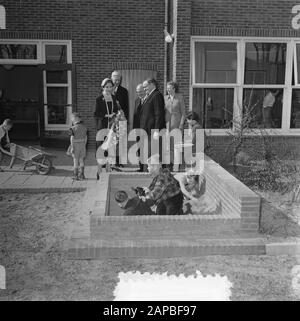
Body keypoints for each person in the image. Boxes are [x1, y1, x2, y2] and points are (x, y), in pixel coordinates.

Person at [94, 78, 122, 177]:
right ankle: (99, 172)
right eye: (107, 87)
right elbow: (96, 114)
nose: (109, 88)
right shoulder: (99, 98)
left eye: (110, 87)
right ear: (103, 87)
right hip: (102, 126)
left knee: (110, 148)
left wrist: (117, 114)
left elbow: (117, 109)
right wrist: (106, 115)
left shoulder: (114, 98)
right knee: (101, 149)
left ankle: (108, 171)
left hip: (111, 126)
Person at [139, 78, 165, 171]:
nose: (144, 89)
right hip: (147, 130)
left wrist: (156, 130)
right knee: (148, 153)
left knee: (152, 154)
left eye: (145, 86)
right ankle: (148, 171)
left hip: (153, 131)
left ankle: (153, 173)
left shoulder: (157, 95)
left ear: (152, 84)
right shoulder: (150, 95)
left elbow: (159, 113)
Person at [164, 81, 186, 171]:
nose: (168, 90)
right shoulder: (165, 98)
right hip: (167, 126)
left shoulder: (180, 97)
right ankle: (169, 165)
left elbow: (184, 113)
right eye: (167, 88)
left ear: (174, 88)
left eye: (170, 88)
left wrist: (181, 124)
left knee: (177, 147)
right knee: (168, 147)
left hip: (177, 126)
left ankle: (176, 167)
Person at [69, 113, 87, 180]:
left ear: (76, 118)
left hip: (75, 145)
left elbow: (72, 138)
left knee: (75, 160)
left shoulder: (72, 128)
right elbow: (86, 138)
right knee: (81, 160)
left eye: (72, 118)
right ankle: (82, 175)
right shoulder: (84, 127)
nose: (71, 119)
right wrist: (84, 145)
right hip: (82, 144)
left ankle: (75, 175)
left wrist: (72, 147)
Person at [133, 84, 147, 172]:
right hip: (138, 129)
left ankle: (146, 167)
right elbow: (135, 115)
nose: (139, 94)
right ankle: (141, 167)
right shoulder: (137, 100)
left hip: (146, 128)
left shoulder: (148, 100)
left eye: (141, 92)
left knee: (146, 148)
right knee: (139, 148)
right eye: (137, 92)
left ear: (145, 91)